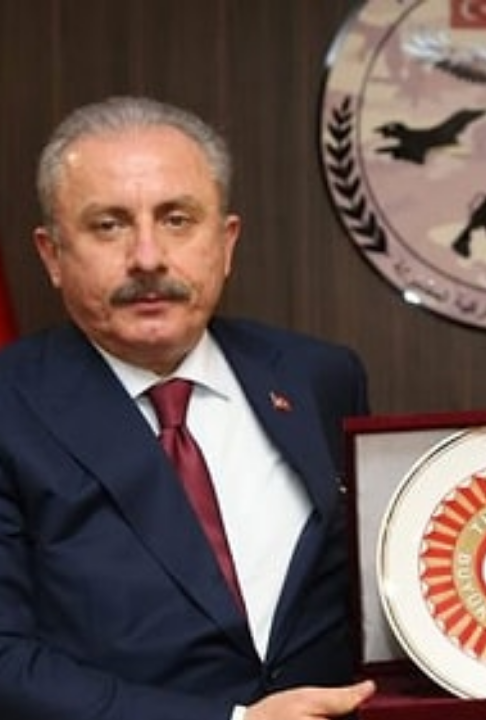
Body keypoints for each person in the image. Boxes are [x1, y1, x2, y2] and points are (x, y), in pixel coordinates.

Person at [0, 96, 377, 719]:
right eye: (108, 225)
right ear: (52, 255)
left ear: (226, 242)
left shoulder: (318, 376)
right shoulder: (12, 407)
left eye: (177, 219)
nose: (148, 257)